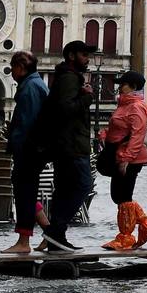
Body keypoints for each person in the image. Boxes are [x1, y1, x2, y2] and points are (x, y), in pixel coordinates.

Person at [37, 40, 97, 251]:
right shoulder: (69, 78)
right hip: (71, 144)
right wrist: (87, 97)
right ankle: (56, 231)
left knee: (63, 189)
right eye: (84, 55)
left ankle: (57, 239)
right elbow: (65, 109)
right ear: (72, 56)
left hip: (65, 144)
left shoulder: (67, 77)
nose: (87, 59)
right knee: (83, 185)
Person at [99, 71, 147, 250]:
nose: (120, 87)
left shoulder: (136, 107)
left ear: (133, 87)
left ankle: (127, 237)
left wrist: (127, 158)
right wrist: (106, 135)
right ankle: (145, 224)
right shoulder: (124, 104)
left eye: (123, 84)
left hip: (130, 159)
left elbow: (138, 135)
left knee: (122, 196)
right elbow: (120, 129)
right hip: (120, 155)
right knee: (120, 196)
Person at [2, 50, 48, 254]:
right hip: (34, 149)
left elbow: (28, 123)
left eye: (13, 68)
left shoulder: (30, 88)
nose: (11, 72)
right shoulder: (35, 84)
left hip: (28, 150)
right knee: (26, 192)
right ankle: (50, 233)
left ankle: (23, 242)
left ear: (20, 68)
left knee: (25, 194)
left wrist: (15, 142)